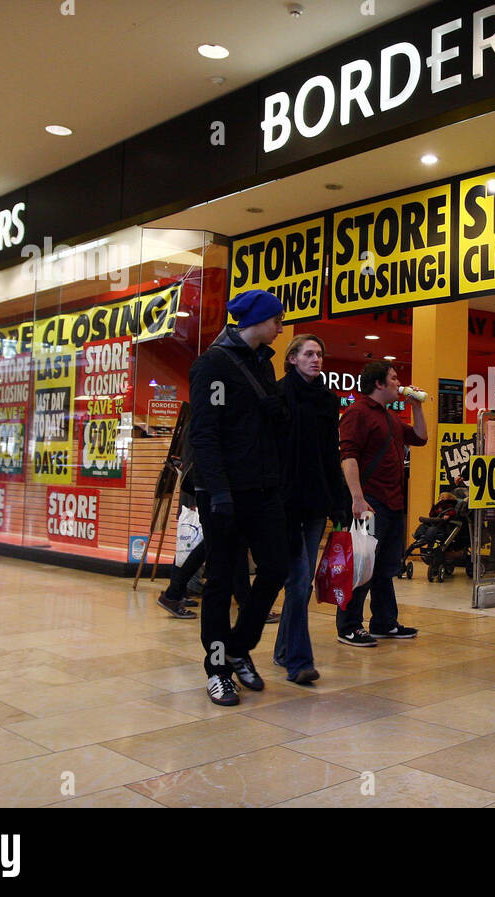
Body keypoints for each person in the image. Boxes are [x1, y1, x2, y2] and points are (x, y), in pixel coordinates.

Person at [186, 289, 289, 706]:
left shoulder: (263, 364)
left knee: (276, 567)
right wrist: (219, 492)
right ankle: (217, 669)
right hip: (224, 493)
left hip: (264, 490)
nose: (281, 327)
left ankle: (238, 645)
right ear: (258, 321)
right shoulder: (213, 365)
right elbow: (205, 434)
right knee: (220, 581)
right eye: (277, 320)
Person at [274, 334, 349, 685]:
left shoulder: (328, 400)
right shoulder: (277, 394)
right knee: (300, 580)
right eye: (308, 353)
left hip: (317, 500)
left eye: (319, 353)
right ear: (292, 359)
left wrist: (341, 501)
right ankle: (299, 662)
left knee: (299, 583)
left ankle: (283, 649)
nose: (316, 359)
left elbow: (330, 455)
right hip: (285, 501)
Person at [336, 360, 427, 646]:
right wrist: (357, 498)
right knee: (362, 565)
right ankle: (349, 625)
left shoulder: (390, 418)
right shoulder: (357, 413)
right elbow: (347, 455)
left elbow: (421, 438)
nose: (399, 383)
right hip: (370, 501)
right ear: (379, 383)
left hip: (393, 502)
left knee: (385, 566)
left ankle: (384, 622)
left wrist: (418, 406)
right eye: (394, 378)